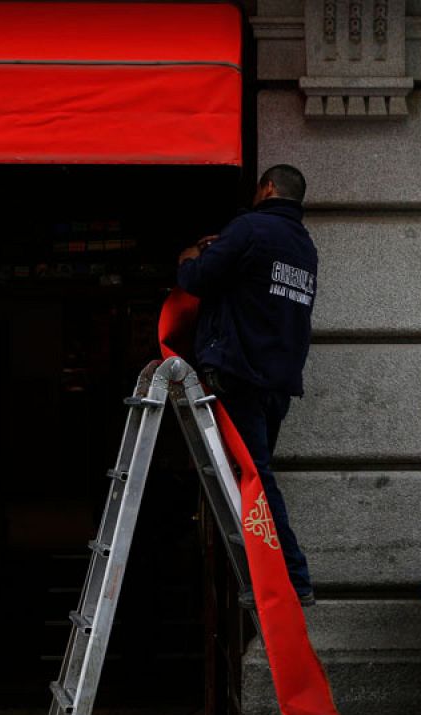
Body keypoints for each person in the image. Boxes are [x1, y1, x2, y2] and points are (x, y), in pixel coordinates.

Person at [178, 164, 318, 605]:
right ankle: (275, 576)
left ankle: (291, 579)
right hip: (276, 382)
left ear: (268, 188)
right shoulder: (303, 246)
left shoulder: (250, 227)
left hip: (239, 374)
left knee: (256, 478)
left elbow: (199, 280)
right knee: (254, 477)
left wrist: (187, 258)